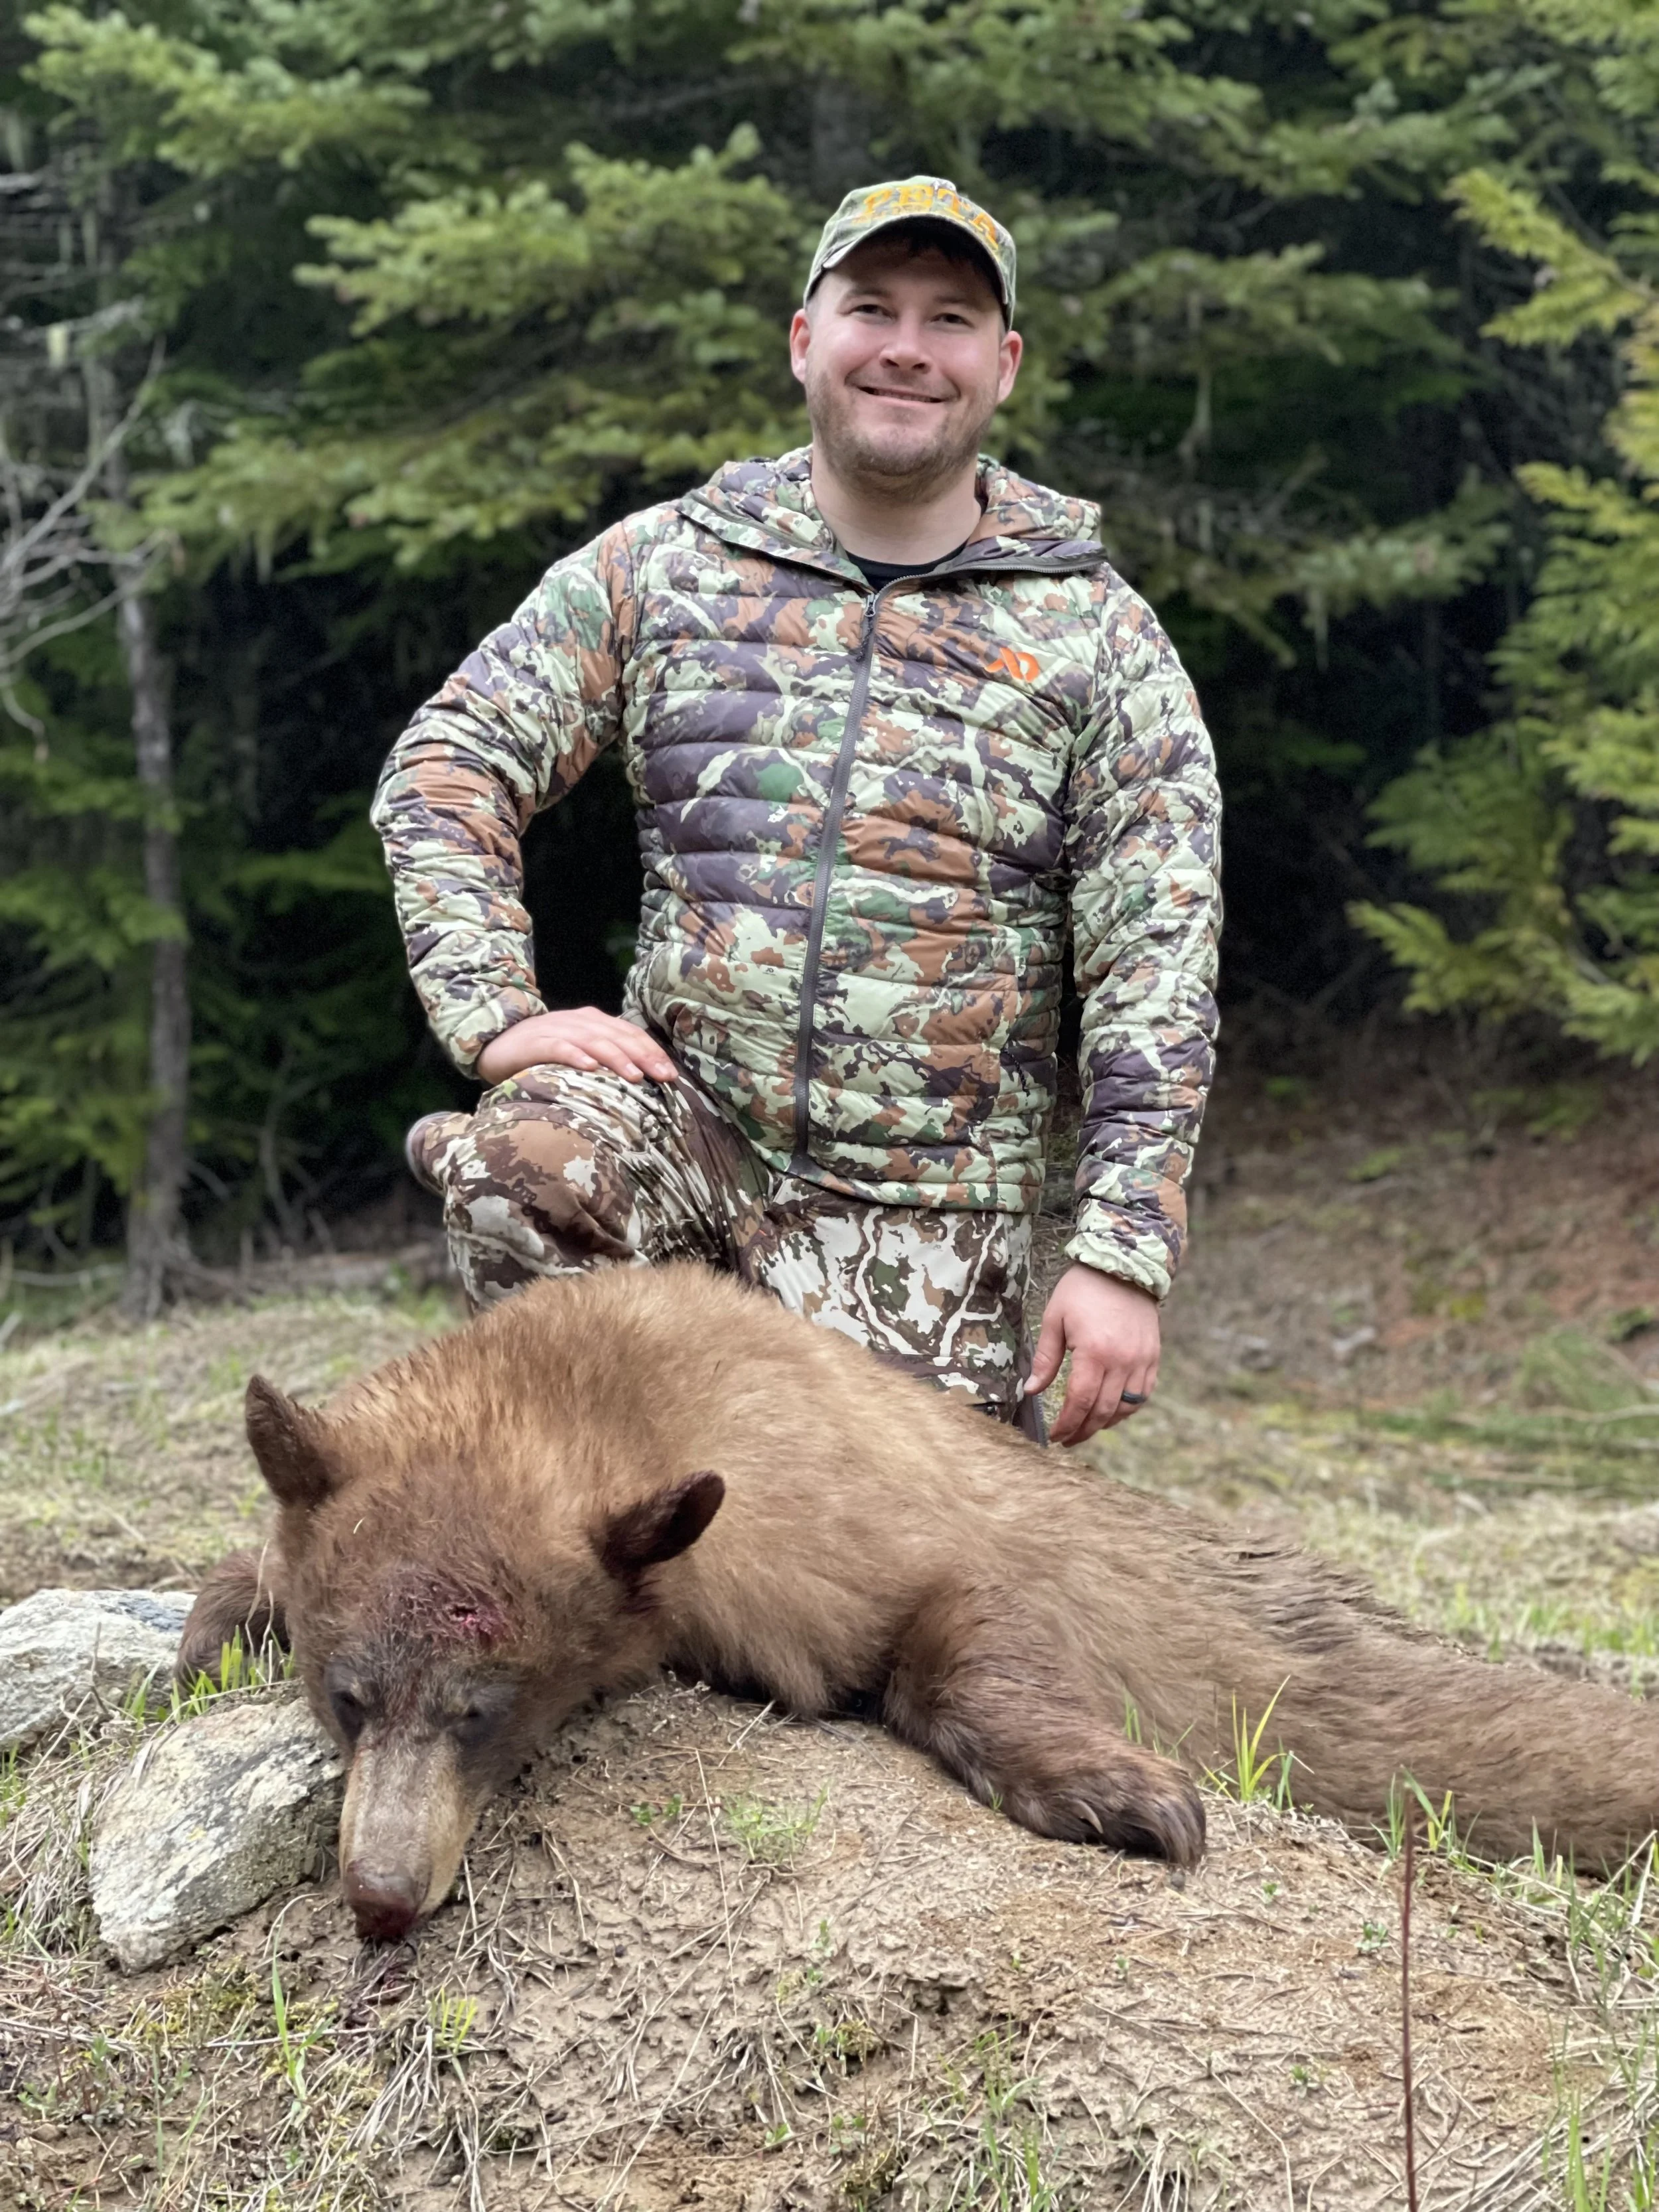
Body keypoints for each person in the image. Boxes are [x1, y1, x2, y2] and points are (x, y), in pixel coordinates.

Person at [372, 175, 1220, 1447]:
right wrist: (497, 1015)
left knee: (893, 1614)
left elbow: (1159, 957)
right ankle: (611, 1556)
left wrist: (1120, 1254)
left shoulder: (1097, 634)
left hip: (932, 1218)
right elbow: (449, 760)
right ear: (803, 340)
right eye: (870, 307)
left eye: (949, 320)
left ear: (1004, 365)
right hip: (689, 1141)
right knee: (516, 1176)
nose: (905, 349)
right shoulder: (668, 565)